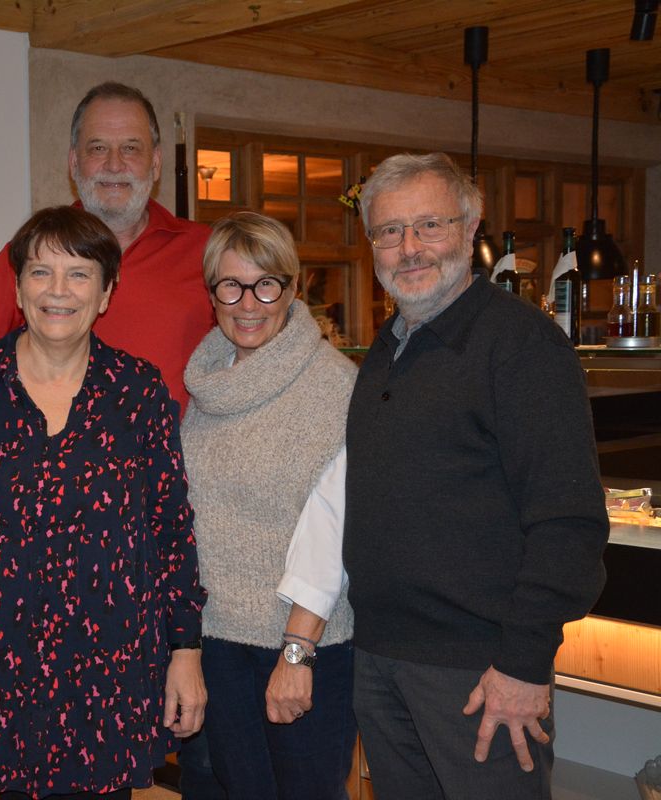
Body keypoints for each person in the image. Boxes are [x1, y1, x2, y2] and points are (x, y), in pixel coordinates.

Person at [343, 152, 609, 799]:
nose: (409, 247)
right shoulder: (388, 346)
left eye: (429, 225)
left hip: (480, 672)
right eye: (389, 230)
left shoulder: (521, 345)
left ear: (470, 228)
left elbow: (568, 522)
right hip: (381, 657)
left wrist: (523, 663)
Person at [0, 205, 207, 799]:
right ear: (17, 289)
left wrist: (184, 650)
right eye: (40, 272)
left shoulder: (138, 390)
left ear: (106, 293)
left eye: (79, 274)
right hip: (0, 664)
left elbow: (171, 528)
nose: (58, 291)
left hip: (112, 667)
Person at [181, 212, 357, 799]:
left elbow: (334, 532)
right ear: (211, 294)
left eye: (266, 285)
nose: (248, 304)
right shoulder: (207, 383)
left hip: (302, 647)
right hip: (216, 643)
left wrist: (296, 653)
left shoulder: (334, 388)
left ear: (293, 287)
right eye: (230, 286)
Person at [0, 82, 213, 415]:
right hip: (53, 446)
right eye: (98, 148)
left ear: (156, 162)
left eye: (131, 148)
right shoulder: (34, 253)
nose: (114, 164)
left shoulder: (205, 251)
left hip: (170, 447)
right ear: (74, 162)